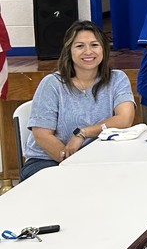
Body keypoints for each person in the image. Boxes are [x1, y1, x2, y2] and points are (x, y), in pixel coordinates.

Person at [22, 22, 135, 180]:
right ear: (69, 50)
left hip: (99, 160)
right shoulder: (52, 83)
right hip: (49, 160)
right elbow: (42, 135)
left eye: (94, 45)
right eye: (80, 46)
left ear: (103, 49)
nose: (88, 51)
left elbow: (125, 118)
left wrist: (83, 133)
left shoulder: (117, 79)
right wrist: (74, 165)